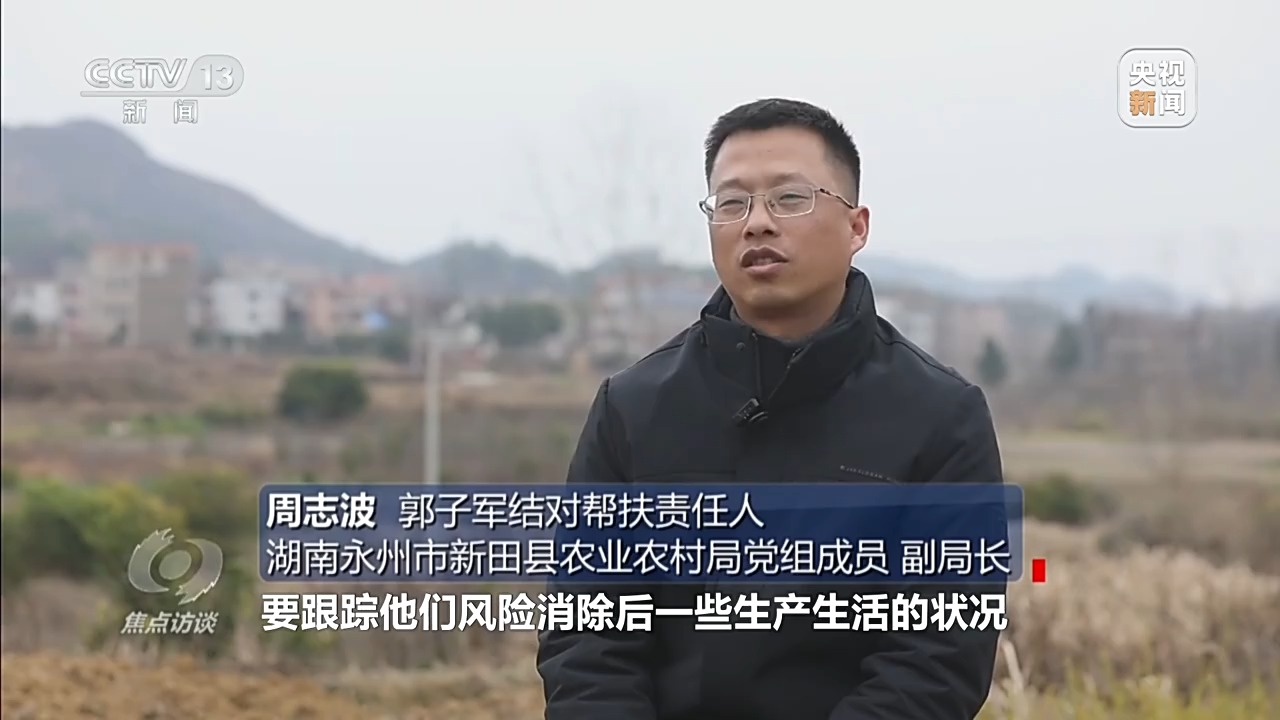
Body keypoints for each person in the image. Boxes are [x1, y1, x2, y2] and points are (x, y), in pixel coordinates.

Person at [537, 97, 1005, 720]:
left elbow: (937, 663)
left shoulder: (940, 416)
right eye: (732, 203)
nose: (757, 223)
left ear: (857, 227)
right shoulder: (632, 406)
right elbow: (586, 642)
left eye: (789, 198)